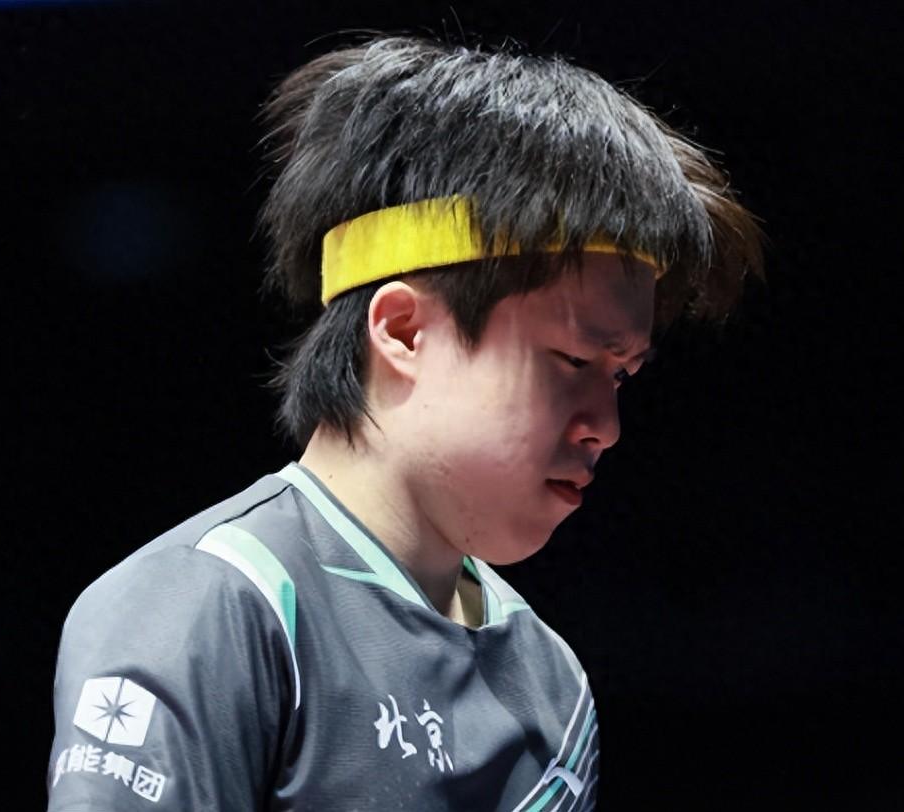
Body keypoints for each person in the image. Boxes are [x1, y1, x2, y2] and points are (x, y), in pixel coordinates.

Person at [45, 35, 762, 810]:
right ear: (405, 331)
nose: (606, 426)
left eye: (621, 375)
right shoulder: (208, 608)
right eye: (572, 360)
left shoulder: (553, 690)